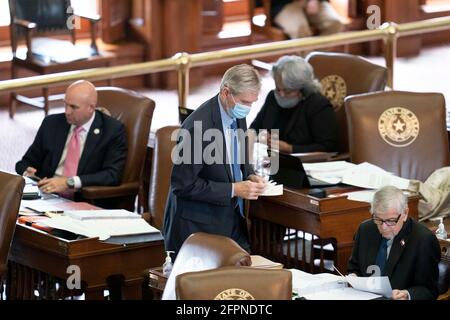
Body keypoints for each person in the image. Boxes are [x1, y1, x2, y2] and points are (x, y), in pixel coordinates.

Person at [163, 64, 266, 256]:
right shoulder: (198, 127)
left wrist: (250, 174)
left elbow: (237, 156)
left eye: (253, 102)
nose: (248, 108)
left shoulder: (236, 113)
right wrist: (234, 189)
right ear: (226, 92)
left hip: (232, 219)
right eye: (245, 102)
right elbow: (183, 185)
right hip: (198, 229)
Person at [16, 80, 127, 198]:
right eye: (65, 104)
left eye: (73, 107)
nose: (67, 112)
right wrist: (27, 172)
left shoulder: (112, 130)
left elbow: (112, 175)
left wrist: (69, 182)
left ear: (91, 108)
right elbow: (24, 162)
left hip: (83, 199)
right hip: (46, 195)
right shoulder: (52, 123)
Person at [347, 186, 441, 300]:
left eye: (391, 221)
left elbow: (429, 290)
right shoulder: (365, 229)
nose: (383, 227)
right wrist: (353, 276)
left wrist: (407, 294)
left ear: (405, 213)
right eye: (378, 219)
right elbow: (354, 267)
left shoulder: (423, 240)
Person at [250, 55, 338, 153]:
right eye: (278, 89)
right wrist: (261, 136)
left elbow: (327, 147)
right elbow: (254, 127)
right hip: (271, 159)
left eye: (288, 91)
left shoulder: (318, 105)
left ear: (303, 88)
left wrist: (290, 148)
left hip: (304, 163)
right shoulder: (273, 97)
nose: (281, 95)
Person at [268, 0, 344, 39]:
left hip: (313, 2)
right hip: (283, 4)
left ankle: (317, 58)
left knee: (334, 23)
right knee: (301, 29)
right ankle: (307, 63)